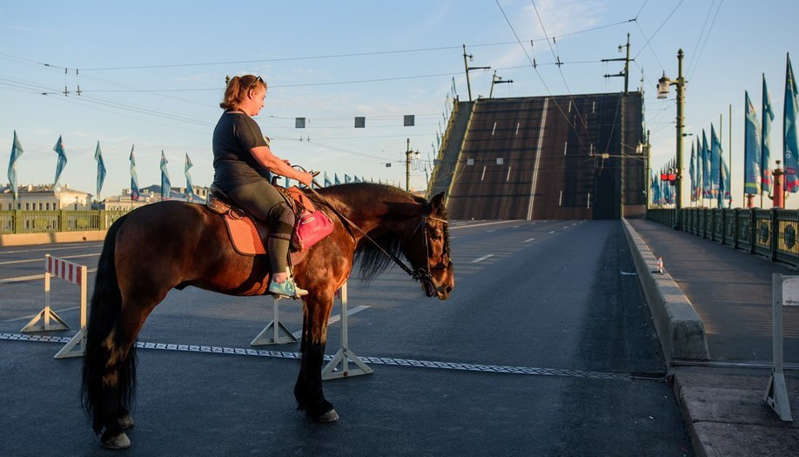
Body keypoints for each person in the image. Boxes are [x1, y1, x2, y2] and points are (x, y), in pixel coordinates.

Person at [212, 74, 313, 298]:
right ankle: (279, 278)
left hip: (229, 181)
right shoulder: (243, 120)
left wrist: (278, 164)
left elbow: (259, 158)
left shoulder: (227, 119)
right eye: (262, 97)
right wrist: (300, 176)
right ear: (250, 94)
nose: (263, 103)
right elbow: (267, 160)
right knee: (284, 213)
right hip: (243, 183)